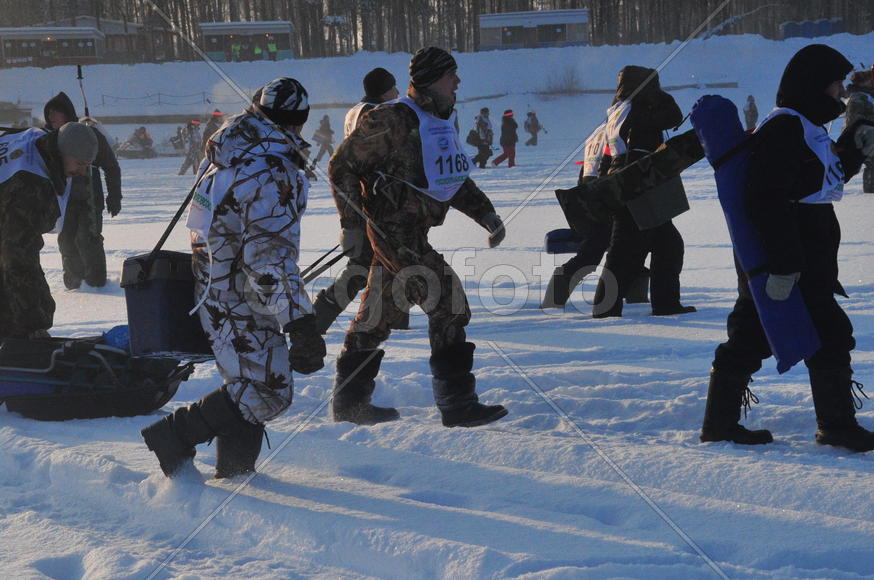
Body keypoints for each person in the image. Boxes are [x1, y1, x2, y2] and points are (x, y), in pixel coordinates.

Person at [141, 77, 326, 479]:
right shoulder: (273, 170)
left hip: (214, 289)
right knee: (269, 391)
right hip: (243, 297)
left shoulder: (225, 153)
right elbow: (269, 258)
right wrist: (300, 320)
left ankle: (237, 474)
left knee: (249, 384)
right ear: (297, 123)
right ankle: (172, 435)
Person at [700, 44, 874, 451]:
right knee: (830, 333)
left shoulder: (805, 126)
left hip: (795, 254)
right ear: (815, 84)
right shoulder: (785, 127)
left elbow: (820, 180)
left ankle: (720, 423)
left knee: (750, 335)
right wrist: (782, 265)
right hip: (788, 257)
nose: (840, 93)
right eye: (835, 85)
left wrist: (853, 142)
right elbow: (764, 198)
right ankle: (836, 426)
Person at [327, 46, 508, 428]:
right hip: (391, 231)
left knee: (377, 317)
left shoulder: (438, 122)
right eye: (450, 75)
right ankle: (457, 405)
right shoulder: (390, 119)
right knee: (448, 301)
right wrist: (352, 226)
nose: (457, 82)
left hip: (413, 231)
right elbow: (341, 166)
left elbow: (449, 180)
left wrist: (486, 214)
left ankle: (349, 405)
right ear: (429, 81)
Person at [591, 65, 694, 318]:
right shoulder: (638, 109)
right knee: (624, 251)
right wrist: (662, 98)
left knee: (666, 245)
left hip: (625, 181)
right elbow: (671, 117)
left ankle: (664, 303)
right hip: (637, 185)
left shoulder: (617, 109)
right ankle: (607, 308)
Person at [314, 67, 404, 335]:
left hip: (363, 198)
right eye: (393, 88)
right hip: (373, 200)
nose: (398, 93)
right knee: (364, 265)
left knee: (390, 262)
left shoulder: (356, 109)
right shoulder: (375, 114)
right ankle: (319, 317)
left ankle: (394, 318)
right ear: (384, 90)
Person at [0, 123, 97, 338]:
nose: (82, 172)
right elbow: (17, 257)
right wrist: (34, 321)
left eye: (87, 165)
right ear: (62, 152)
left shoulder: (37, 140)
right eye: (79, 163)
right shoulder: (30, 185)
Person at [43, 92, 122, 289]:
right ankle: (74, 284)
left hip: (89, 198)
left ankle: (96, 284)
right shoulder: (48, 139)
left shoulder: (89, 135)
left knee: (89, 239)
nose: (51, 117)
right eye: (49, 113)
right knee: (66, 241)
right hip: (63, 200)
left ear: (67, 114)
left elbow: (111, 166)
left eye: (56, 112)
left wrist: (114, 196)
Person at [846, 68, 874, 193]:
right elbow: (854, 122)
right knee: (872, 164)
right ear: (862, 82)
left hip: (869, 135)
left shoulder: (867, 96)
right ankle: (870, 192)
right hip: (864, 137)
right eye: (869, 81)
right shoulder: (857, 98)